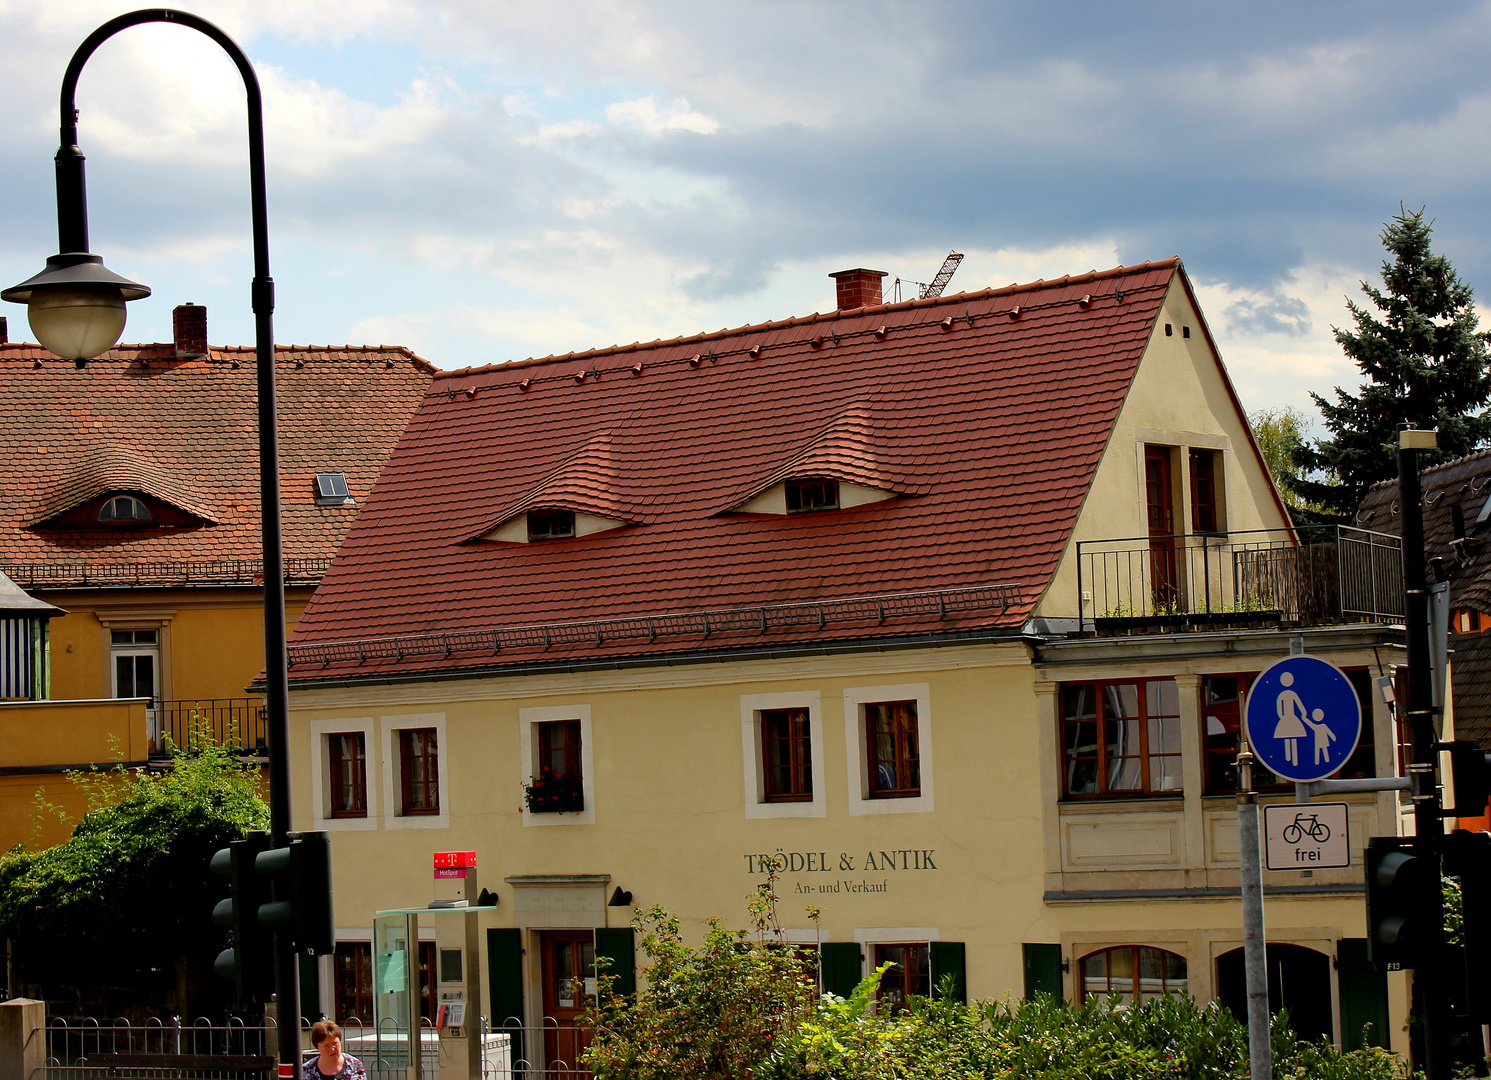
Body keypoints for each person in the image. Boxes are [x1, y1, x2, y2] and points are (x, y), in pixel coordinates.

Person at [1272, 670, 1308, 766]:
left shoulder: (1284, 695)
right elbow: (1299, 706)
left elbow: (1280, 708)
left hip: (1287, 718)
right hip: (1289, 718)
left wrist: (1282, 716)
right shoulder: (1288, 694)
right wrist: (1303, 713)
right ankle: (1290, 759)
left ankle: (1292, 759)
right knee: (1289, 736)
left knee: (1291, 736)